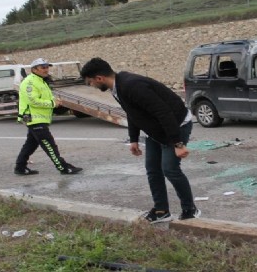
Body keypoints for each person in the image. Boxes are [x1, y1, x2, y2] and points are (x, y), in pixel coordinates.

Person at [80, 57, 200, 223]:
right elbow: (132, 112)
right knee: (152, 169)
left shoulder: (132, 86)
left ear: (99, 78)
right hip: (155, 131)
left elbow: (163, 112)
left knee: (170, 169)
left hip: (176, 125)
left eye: (90, 82)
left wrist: (177, 144)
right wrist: (134, 139)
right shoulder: (117, 87)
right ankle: (161, 210)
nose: (91, 86)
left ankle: (190, 209)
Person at [14, 58, 83, 176]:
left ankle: (20, 167)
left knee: (31, 144)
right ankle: (63, 167)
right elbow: (33, 101)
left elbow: (45, 97)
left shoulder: (41, 81)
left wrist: (56, 102)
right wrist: (52, 104)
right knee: (49, 144)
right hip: (34, 118)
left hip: (39, 118)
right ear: (34, 69)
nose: (46, 70)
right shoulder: (29, 82)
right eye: (43, 67)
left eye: (47, 67)